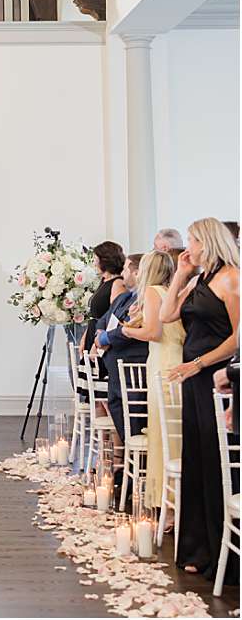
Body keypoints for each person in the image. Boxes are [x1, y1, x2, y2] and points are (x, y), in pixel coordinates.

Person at [159, 217, 239, 579]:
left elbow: (238, 339)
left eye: (192, 240)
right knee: (196, 459)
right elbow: (166, 315)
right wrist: (180, 273)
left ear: (207, 241)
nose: (188, 245)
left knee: (213, 460)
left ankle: (222, 554)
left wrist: (198, 364)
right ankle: (198, 547)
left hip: (215, 378)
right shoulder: (198, 280)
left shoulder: (232, 278)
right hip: (193, 378)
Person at [116, 249, 180, 512]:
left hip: (162, 364)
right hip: (175, 360)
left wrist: (126, 330)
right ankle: (174, 500)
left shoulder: (153, 291)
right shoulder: (171, 293)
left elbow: (153, 332)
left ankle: (167, 502)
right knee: (175, 434)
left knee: (162, 435)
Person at [91, 254, 145, 475]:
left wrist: (106, 339)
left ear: (136, 272)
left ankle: (133, 472)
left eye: (126, 269)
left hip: (131, 366)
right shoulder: (125, 297)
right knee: (117, 413)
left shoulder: (143, 298)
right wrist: (100, 332)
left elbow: (130, 329)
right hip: (115, 368)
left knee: (133, 421)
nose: (122, 274)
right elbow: (104, 318)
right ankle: (125, 470)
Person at [82, 241, 127, 354]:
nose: (94, 263)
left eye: (96, 260)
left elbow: (114, 317)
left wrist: (98, 343)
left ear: (105, 261)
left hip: (102, 335)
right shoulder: (104, 280)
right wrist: (84, 337)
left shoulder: (117, 283)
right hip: (93, 331)